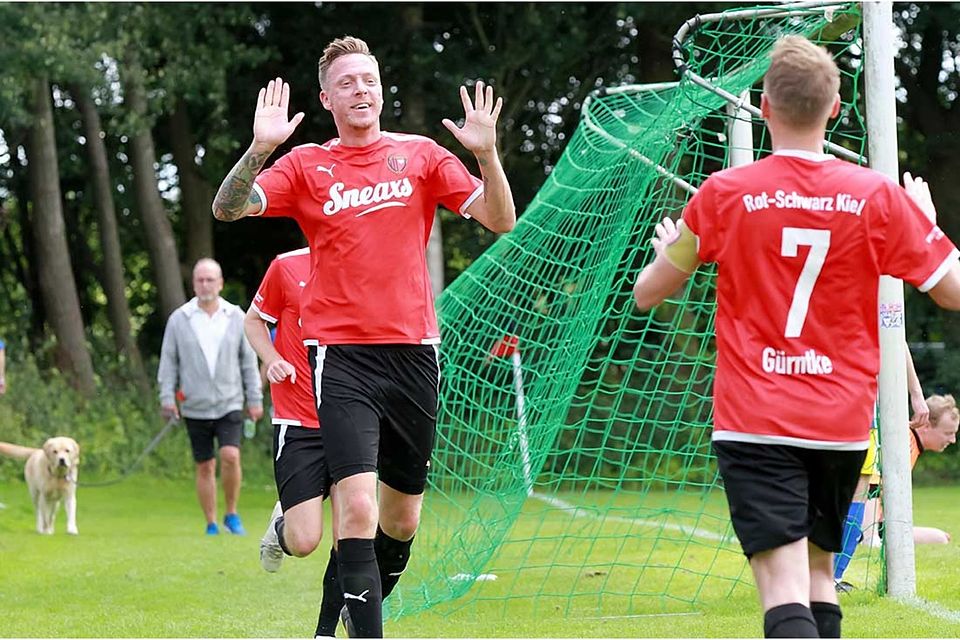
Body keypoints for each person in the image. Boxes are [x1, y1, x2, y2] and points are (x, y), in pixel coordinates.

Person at [632, 35, 960, 639]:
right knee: (817, 577)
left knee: (784, 590)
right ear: (834, 107)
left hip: (755, 420)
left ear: (763, 107)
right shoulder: (877, 196)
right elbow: (953, 290)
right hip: (840, 424)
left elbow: (647, 293)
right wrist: (930, 227)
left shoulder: (723, 194)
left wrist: (668, 253)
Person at [212, 36, 516, 638]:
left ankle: (345, 616)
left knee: (401, 521)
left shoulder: (422, 156)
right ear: (327, 98)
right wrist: (260, 149)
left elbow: (500, 219)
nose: (361, 90)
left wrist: (487, 155)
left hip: (414, 355)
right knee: (356, 507)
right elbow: (228, 208)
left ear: (381, 90)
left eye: (369, 80)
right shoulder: (305, 165)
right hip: (342, 358)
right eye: (346, 82)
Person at [244, 247, 344, 638]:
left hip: (351, 420)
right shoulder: (286, 266)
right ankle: (281, 526)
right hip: (299, 420)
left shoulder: (364, 263)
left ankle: (325, 631)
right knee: (304, 541)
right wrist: (271, 359)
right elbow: (254, 320)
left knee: (351, 535)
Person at [158, 258, 264, 535]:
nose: (205, 285)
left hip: (230, 402)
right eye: (200, 280)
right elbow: (168, 362)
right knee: (205, 465)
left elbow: (248, 362)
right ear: (193, 284)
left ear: (220, 283)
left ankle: (232, 513)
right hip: (195, 405)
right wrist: (167, 398)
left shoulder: (236, 317)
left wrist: (254, 399)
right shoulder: (180, 319)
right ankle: (211, 522)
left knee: (230, 455)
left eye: (210, 280)